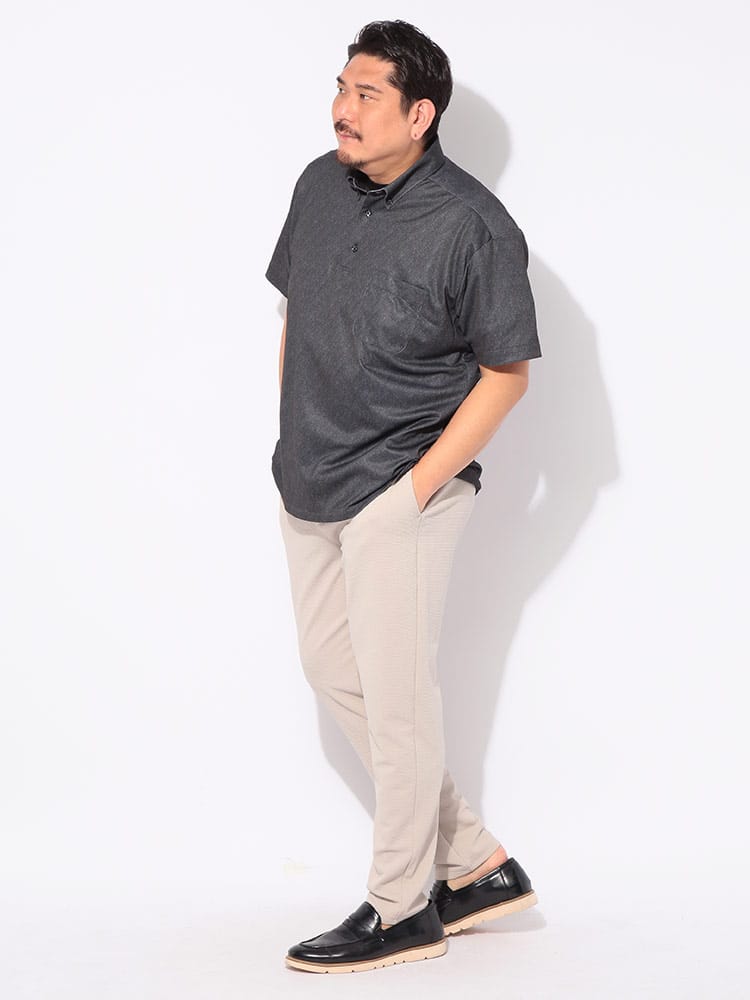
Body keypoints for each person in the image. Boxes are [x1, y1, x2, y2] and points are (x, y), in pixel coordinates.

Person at [266, 20, 542, 974]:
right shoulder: (317, 185)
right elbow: (299, 312)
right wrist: (292, 429)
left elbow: (507, 373)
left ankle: (402, 910)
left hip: (403, 487)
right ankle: (476, 865)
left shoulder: (473, 225)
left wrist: (414, 491)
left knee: (396, 701)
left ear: (421, 115)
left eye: (366, 94)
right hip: (310, 476)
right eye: (340, 88)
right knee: (332, 669)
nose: (341, 109)